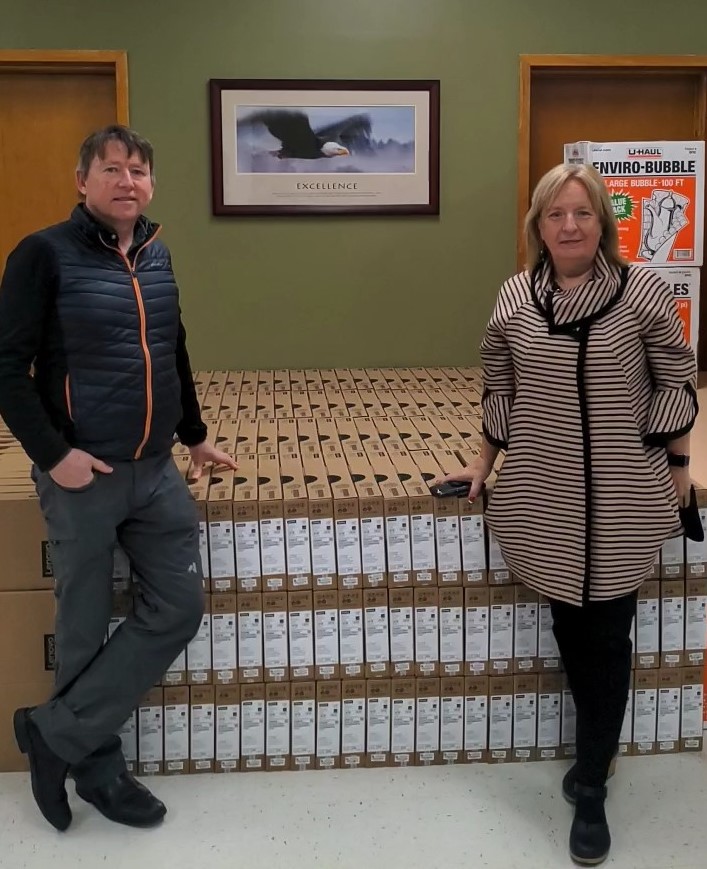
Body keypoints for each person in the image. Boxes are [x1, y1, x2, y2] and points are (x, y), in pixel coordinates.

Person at [436, 163, 698, 866]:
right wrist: (480, 462)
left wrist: (678, 469)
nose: (570, 226)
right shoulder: (516, 296)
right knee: (568, 626)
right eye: (556, 215)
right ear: (537, 226)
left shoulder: (640, 291)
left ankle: (590, 787)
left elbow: (675, 376)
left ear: (602, 225)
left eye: (582, 214)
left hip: (619, 495)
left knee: (607, 638)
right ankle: (594, 753)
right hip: (545, 496)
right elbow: (500, 386)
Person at [0, 125, 237, 832]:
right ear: (83, 180)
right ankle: (98, 768)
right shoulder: (42, 254)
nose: (126, 181)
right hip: (84, 473)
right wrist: (53, 454)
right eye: (111, 169)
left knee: (178, 606)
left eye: (138, 170)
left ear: (151, 185)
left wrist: (193, 436)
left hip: (155, 469)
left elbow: (172, 346)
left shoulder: (156, 256)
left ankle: (51, 733)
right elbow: (5, 368)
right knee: (80, 626)